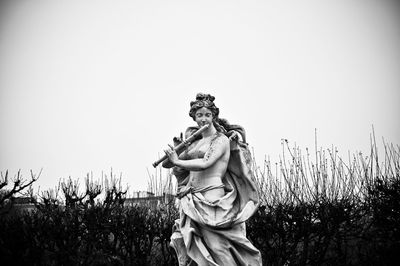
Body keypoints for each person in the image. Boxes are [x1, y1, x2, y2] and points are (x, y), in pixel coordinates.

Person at [163, 93, 262, 266]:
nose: (203, 119)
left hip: (212, 199)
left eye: (207, 115)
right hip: (191, 199)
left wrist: (178, 160)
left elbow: (205, 162)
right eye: (199, 115)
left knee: (218, 248)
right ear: (194, 117)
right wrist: (178, 151)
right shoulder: (193, 143)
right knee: (187, 244)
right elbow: (167, 164)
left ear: (213, 116)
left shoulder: (221, 140)